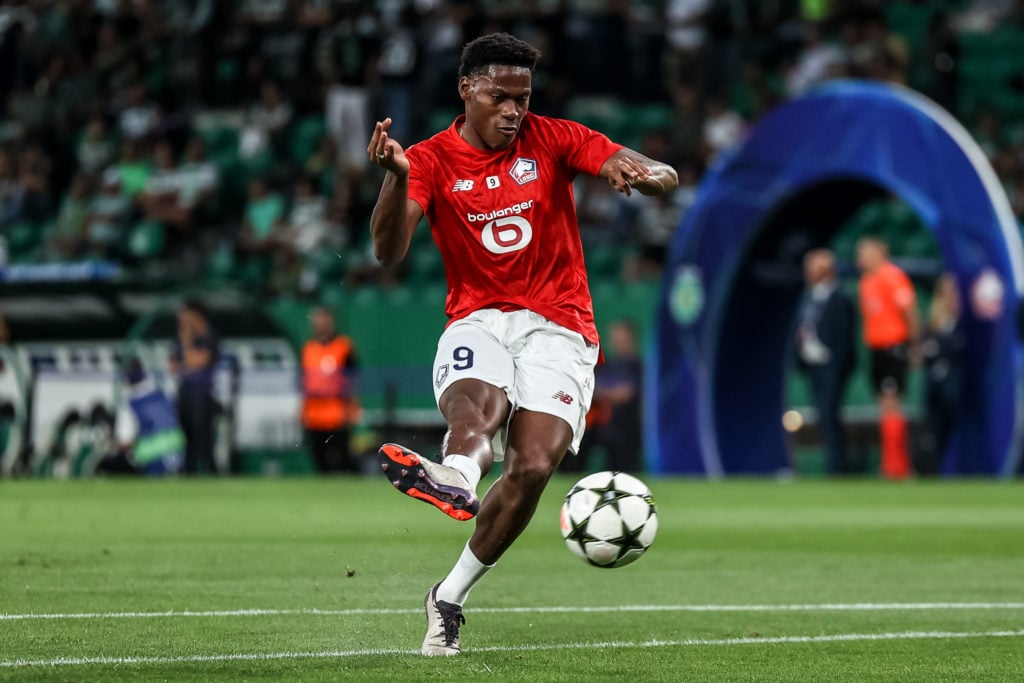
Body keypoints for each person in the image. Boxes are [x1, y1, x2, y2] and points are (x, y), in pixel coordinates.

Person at [366, 33, 678, 656]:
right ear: (466, 90)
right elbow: (387, 251)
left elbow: (665, 176)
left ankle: (447, 596)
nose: (514, 110)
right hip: (479, 318)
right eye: (500, 97)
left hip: (561, 326)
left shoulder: (556, 137)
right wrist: (396, 180)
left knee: (534, 467)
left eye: (523, 98)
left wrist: (644, 175)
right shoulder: (428, 159)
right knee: (478, 407)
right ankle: (454, 475)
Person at [856, 236, 918, 479]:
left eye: (864, 252)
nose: (859, 257)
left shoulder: (892, 276)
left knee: (892, 403)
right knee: (884, 405)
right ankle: (890, 463)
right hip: (876, 347)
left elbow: (910, 311)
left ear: (878, 252)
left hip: (894, 345)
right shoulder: (866, 281)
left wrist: (914, 347)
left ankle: (898, 465)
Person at [795, 249, 857, 475]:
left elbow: (843, 338)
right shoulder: (810, 299)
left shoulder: (840, 299)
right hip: (814, 366)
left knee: (830, 415)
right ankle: (834, 466)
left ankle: (838, 468)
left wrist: (837, 365)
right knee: (823, 416)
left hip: (832, 367)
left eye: (814, 268)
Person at [300, 307, 359, 474]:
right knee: (320, 464)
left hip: (337, 413)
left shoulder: (343, 346)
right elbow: (304, 382)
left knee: (344, 462)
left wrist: (352, 409)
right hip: (314, 414)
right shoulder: (308, 348)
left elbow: (352, 380)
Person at [916, 274, 965, 475]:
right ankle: (940, 470)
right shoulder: (935, 320)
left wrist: (937, 347)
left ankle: (959, 469)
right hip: (934, 383)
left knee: (958, 428)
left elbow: (958, 347)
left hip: (956, 384)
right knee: (936, 429)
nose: (950, 298)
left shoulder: (964, 322)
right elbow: (924, 350)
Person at [169, 299, 220, 474]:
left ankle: (209, 473)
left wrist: (188, 345)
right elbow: (173, 366)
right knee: (186, 439)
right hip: (185, 392)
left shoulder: (208, 336)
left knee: (203, 439)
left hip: (202, 394)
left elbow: (198, 362)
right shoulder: (181, 339)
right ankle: (188, 473)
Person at [589, 319, 646, 473]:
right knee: (610, 473)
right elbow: (592, 390)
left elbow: (626, 393)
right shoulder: (610, 364)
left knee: (628, 472)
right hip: (607, 430)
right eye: (615, 337)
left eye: (621, 337)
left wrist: (606, 393)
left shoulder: (637, 365)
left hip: (628, 429)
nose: (617, 341)